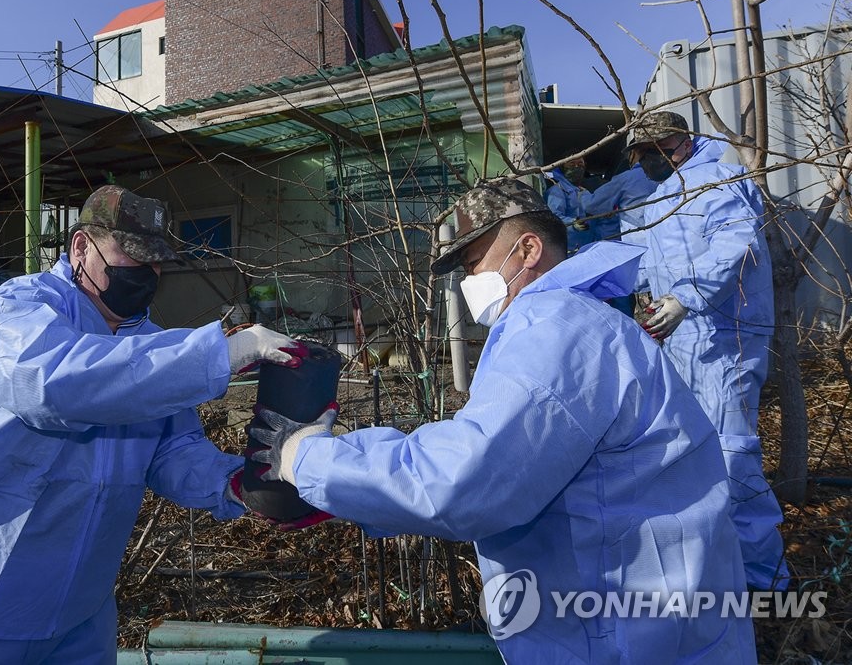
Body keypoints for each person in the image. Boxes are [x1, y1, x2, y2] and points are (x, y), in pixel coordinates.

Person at [247, 177, 757, 663]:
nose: (470, 283)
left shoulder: (555, 327)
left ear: (528, 250)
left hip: (623, 636)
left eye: (473, 263)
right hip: (655, 619)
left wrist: (307, 459)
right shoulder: (585, 320)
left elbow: (464, 480)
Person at [0, 184, 307, 664]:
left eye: (157, 261)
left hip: (77, 618)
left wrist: (242, 484)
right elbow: (56, 385)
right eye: (133, 256)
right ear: (80, 246)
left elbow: (172, 451)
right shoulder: (16, 310)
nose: (147, 274)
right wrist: (218, 354)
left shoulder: (151, 345)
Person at [627, 111, 789, 591]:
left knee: (731, 454)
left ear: (675, 142)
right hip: (689, 341)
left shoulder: (714, 179)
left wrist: (685, 297)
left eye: (647, 153)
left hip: (725, 338)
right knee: (702, 453)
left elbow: (736, 244)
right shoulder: (664, 194)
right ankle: (727, 566)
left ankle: (765, 581)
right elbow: (644, 259)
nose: (642, 163)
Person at [581, 151, 658, 314]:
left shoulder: (628, 178)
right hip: (671, 264)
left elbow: (593, 205)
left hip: (640, 265)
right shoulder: (675, 177)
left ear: (633, 155)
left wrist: (583, 195)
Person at [543, 154, 593, 252]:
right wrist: (573, 224)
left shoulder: (584, 192)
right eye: (572, 164)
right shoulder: (557, 191)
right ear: (562, 167)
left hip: (586, 247)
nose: (577, 167)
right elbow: (553, 218)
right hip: (567, 249)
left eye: (580, 164)